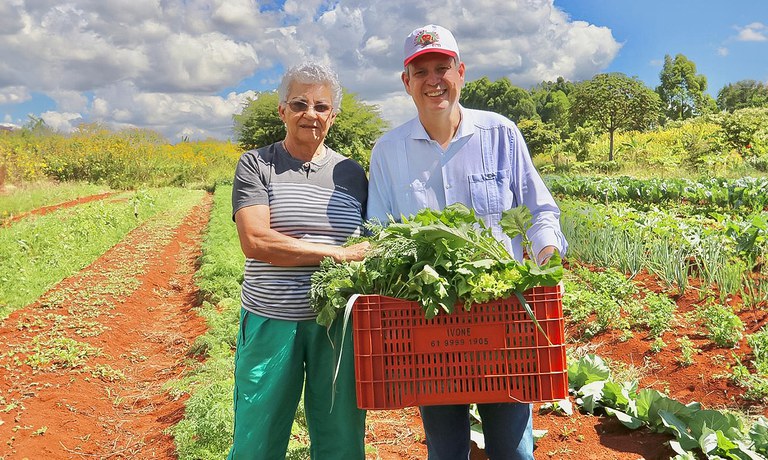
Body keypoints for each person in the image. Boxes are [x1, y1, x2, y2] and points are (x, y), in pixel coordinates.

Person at [367, 24, 568, 460]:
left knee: (514, 451)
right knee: (445, 450)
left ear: (461, 72)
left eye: (443, 68)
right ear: (406, 82)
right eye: (421, 72)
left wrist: (546, 257)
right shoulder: (388, 151)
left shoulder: (501, 134)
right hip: (429, 325)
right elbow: (379, 235)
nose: (433, 80)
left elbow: (539, 212)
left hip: (504, 318)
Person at [229, 62, 369, 460]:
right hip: (272, 320)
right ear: (283, 111)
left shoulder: (352, 174)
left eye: (321, 106)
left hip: (336, 326)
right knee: (258, 435)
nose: (311, 113)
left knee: (341, 438)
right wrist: (338, 253)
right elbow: (256, 241)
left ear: (333, 116)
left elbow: (372, 244)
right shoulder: (257, 165)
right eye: (299, 103)